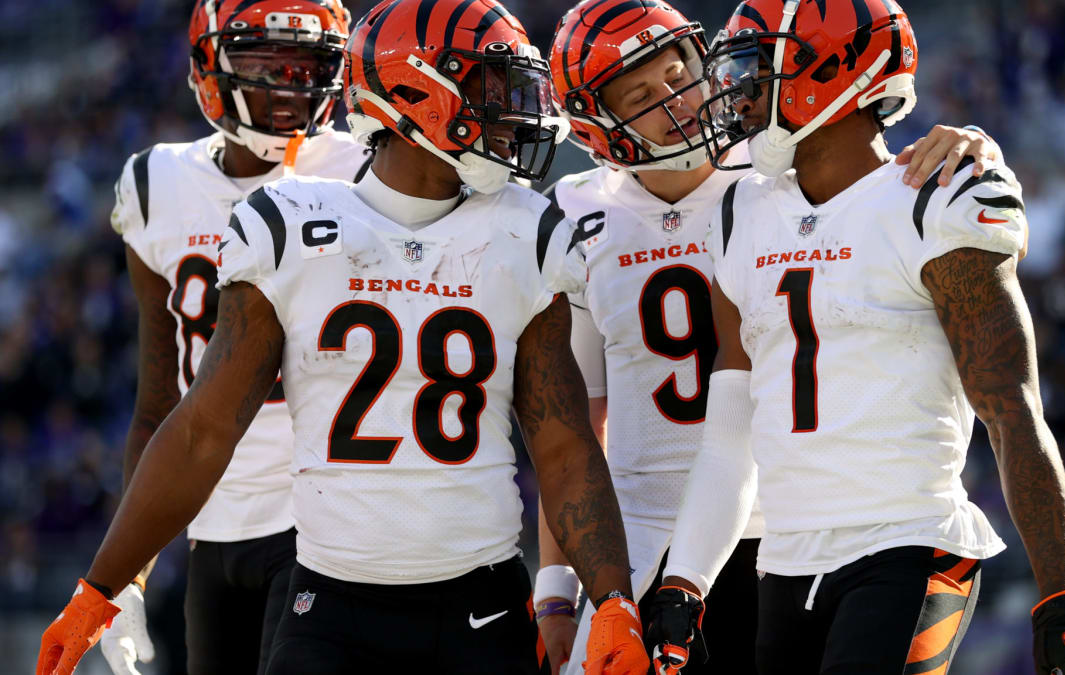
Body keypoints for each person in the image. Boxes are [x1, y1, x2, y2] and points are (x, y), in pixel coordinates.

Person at [37, 1, 649, 674]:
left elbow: (563, 447)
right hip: (330, 604)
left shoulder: (527, 229)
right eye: (487, 87)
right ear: (419, 93)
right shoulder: (288, 224)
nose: (511, 111)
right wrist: (103, 586)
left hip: (483, 603)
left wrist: (612, 596)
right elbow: (203, 427)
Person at [647, 1, 1065, 674]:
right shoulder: (740, 214)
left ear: (828, 69)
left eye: (756, 70)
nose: (740, 94)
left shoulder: (933, 199)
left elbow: (1010, 406)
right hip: (784, 560)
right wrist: (686, 578)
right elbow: (729, 434)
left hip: (909, 541)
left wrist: (1062, 596)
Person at [536, 1, 1008, 673]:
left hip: (773, 530)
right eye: (640, 95)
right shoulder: (573, 212)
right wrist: (558, 586)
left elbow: (877, 172)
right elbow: (575, 423)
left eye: (679, 76)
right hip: (640, 532)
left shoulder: (772, 171)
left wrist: (973, 144)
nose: (676, 101)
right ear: (595, 122)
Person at [103, 1, 366, 673]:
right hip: (210, 528)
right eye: (263, 63)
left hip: (327, 518)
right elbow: (159, 401)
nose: (287, 84)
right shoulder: (154, 184)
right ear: (210, 66)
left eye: (305, 63)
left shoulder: (368, 170)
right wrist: (125, 582)